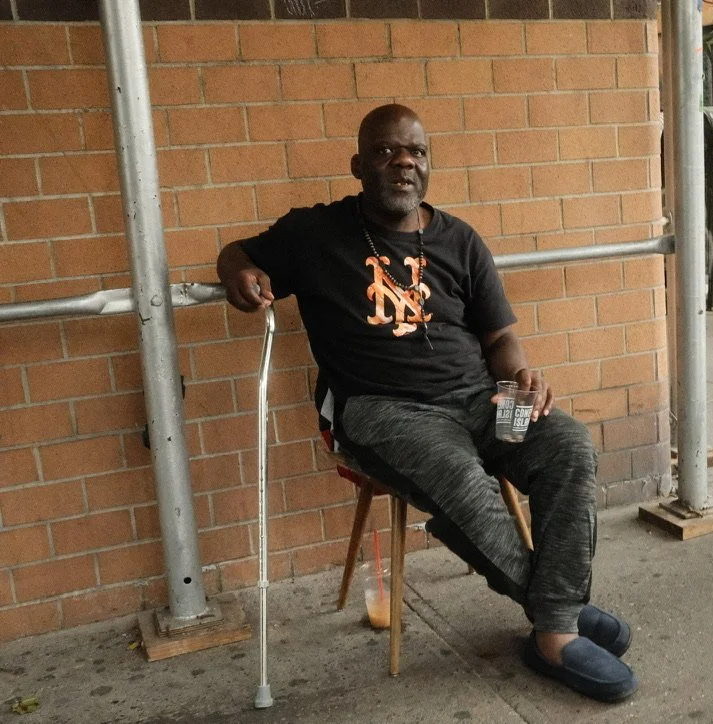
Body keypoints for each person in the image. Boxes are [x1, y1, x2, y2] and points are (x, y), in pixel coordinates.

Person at [217, 104, 639, 702]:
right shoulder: (315, 234)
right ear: (359, 165)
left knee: (566, 444)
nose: (403, 163)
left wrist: (520, 377)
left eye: (416, 152)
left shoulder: (460, 240)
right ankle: (558, 631)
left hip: (483, 400)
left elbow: (499, 338)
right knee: (460, 477)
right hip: (382, 410)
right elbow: (237, 251)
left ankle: (556, 610)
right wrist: (239, 273)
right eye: (387, 151)